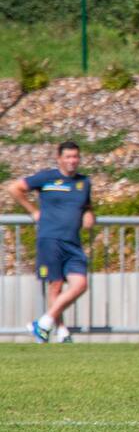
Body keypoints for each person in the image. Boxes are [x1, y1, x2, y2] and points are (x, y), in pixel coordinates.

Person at [7, 140, 94, 343]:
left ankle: (43, 323)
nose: (73, 161)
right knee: (55, 286)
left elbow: (86, 205)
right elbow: (15, 188)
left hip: (73, 242)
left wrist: (89, 213)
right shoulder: (47, 178)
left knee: (80, 284)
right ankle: (61, 331)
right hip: (51, 238)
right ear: (59, 159)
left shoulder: (84, 182)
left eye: (76, 157)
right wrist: (33, 211)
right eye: (68, 157)